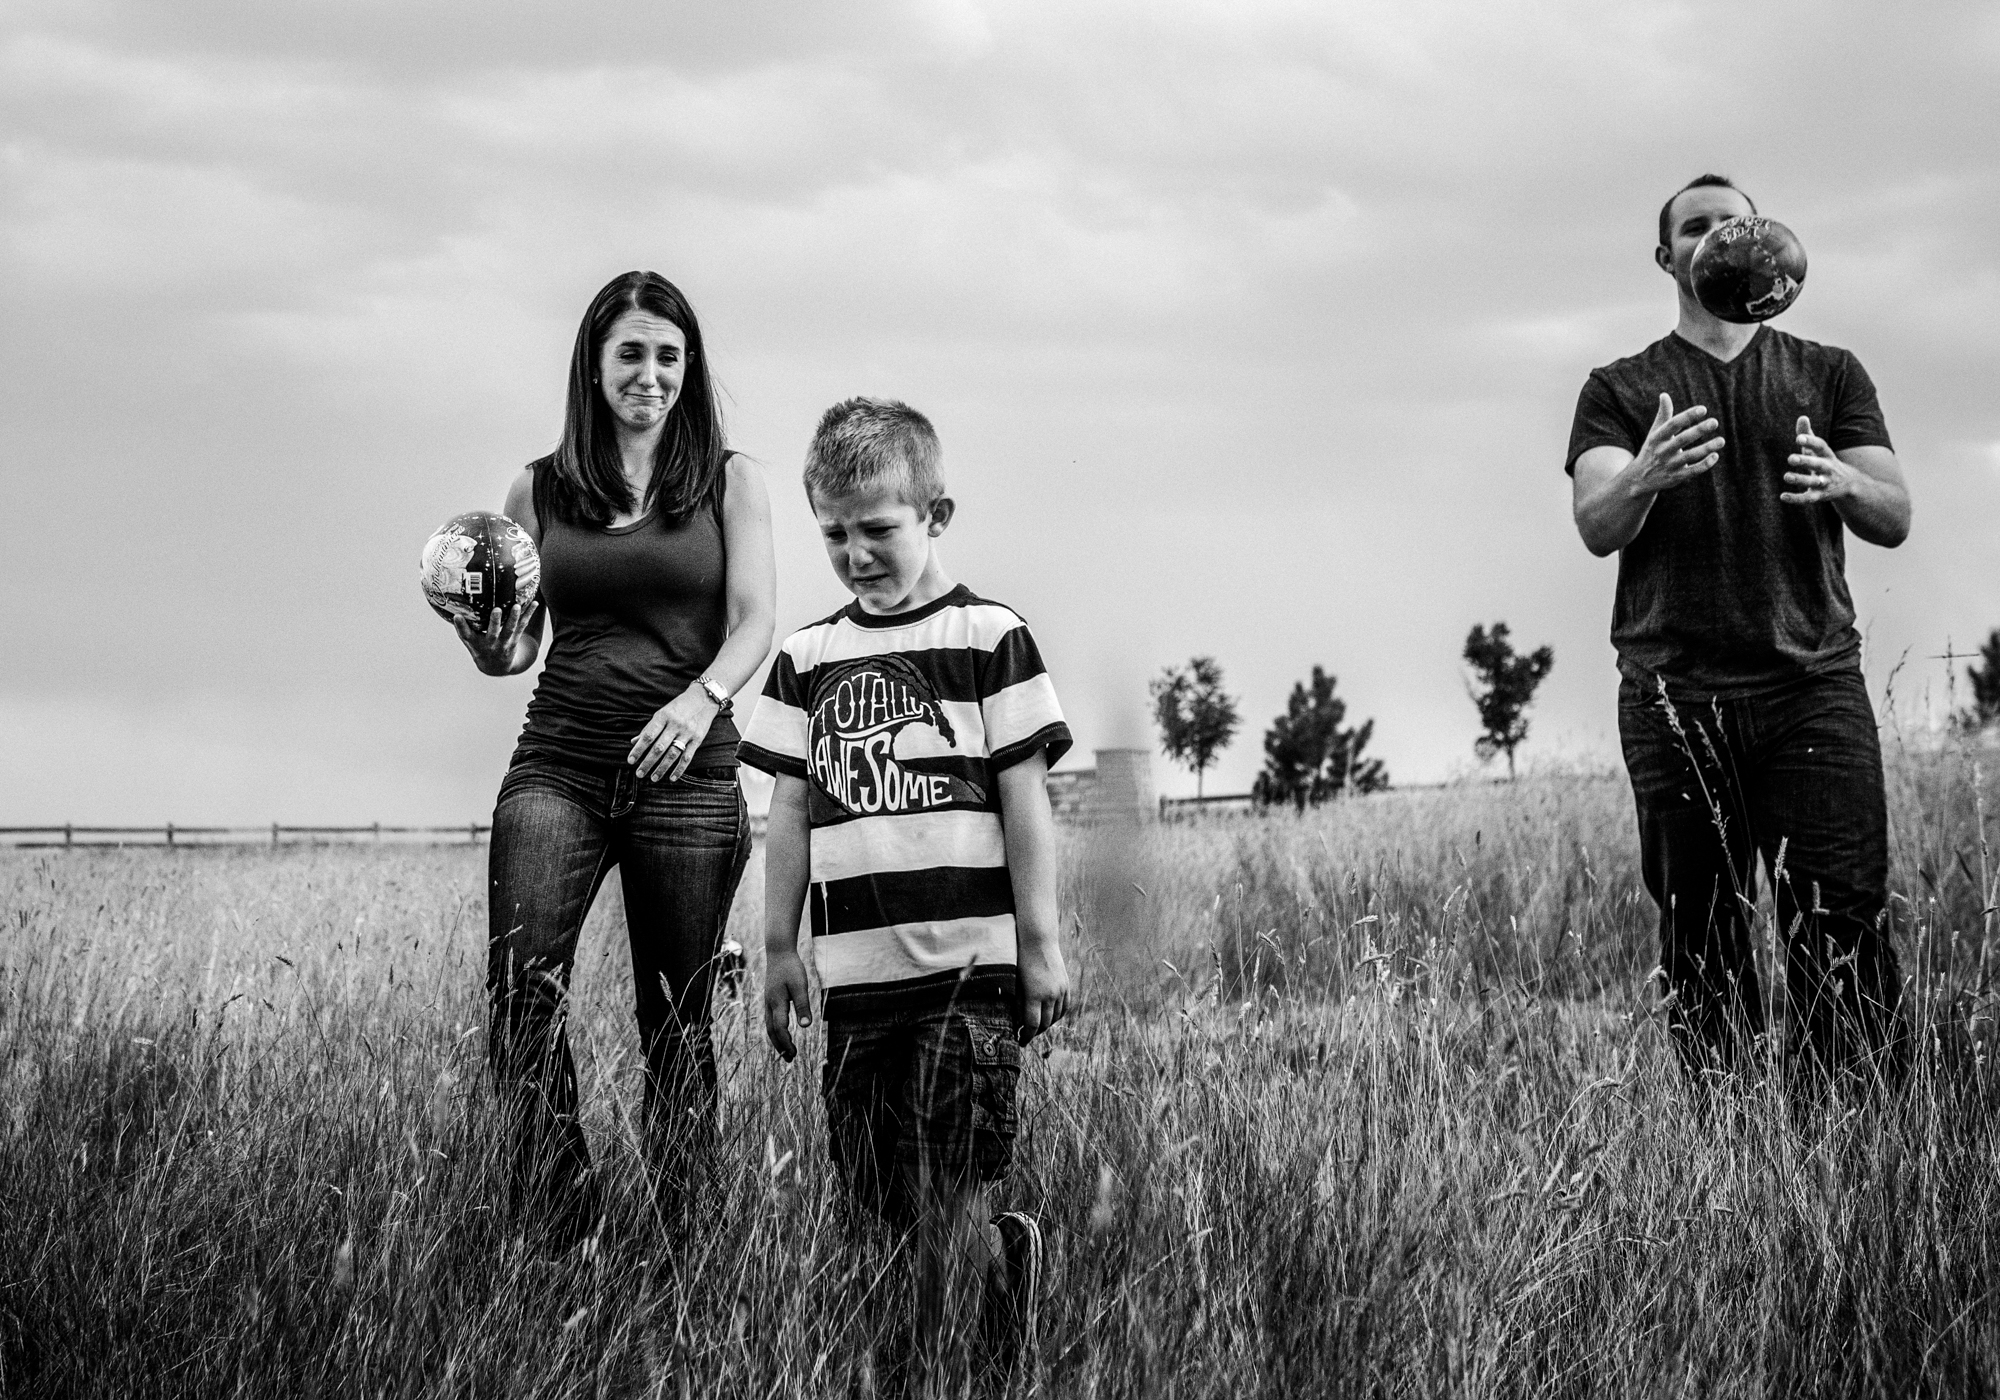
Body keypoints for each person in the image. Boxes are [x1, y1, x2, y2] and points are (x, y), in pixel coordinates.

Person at [740, 397, 1071, 1384]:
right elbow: (789, 813)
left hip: (967, 976)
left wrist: (1039, 942)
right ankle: (910, 1352)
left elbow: (1023, 801)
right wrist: (777, 945)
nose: (854, 552)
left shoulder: (986, 636)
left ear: (936, 513)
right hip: (859, 987)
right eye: (833, 532)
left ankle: (971, 1335)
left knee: (947, 1187)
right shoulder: (806, 659)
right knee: (874, 1202)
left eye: (877, 527)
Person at [1566, 175, 1912, 1100]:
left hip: (1813, 687)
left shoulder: (1830, 372)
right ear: (1667, 256)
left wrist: (1842, 481)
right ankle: (1731, 1146)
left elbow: (1896, 513)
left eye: (1732, 222)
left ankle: (1853, 1130)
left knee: (1840, 923)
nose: (1717, 236)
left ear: (1764, 240)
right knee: (1702, 930)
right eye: (1695, 227)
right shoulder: (1620, 388)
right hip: (1676, 700)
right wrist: (1643, 473)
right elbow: (1597, 521)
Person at [457, 270, 775, 1242]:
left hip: (688, 777)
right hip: (558, 763)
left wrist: (700, 697)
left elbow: (756, 620)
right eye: (630, 352)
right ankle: (566, 1229)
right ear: (594, 364)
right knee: (520, 999)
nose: (649, 373)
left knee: (675, 1023)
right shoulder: (536, 487)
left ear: (689, 368)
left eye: (667, 355)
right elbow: (517, 650)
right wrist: (479, 634)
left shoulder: (730, 479)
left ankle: (687, 1251)